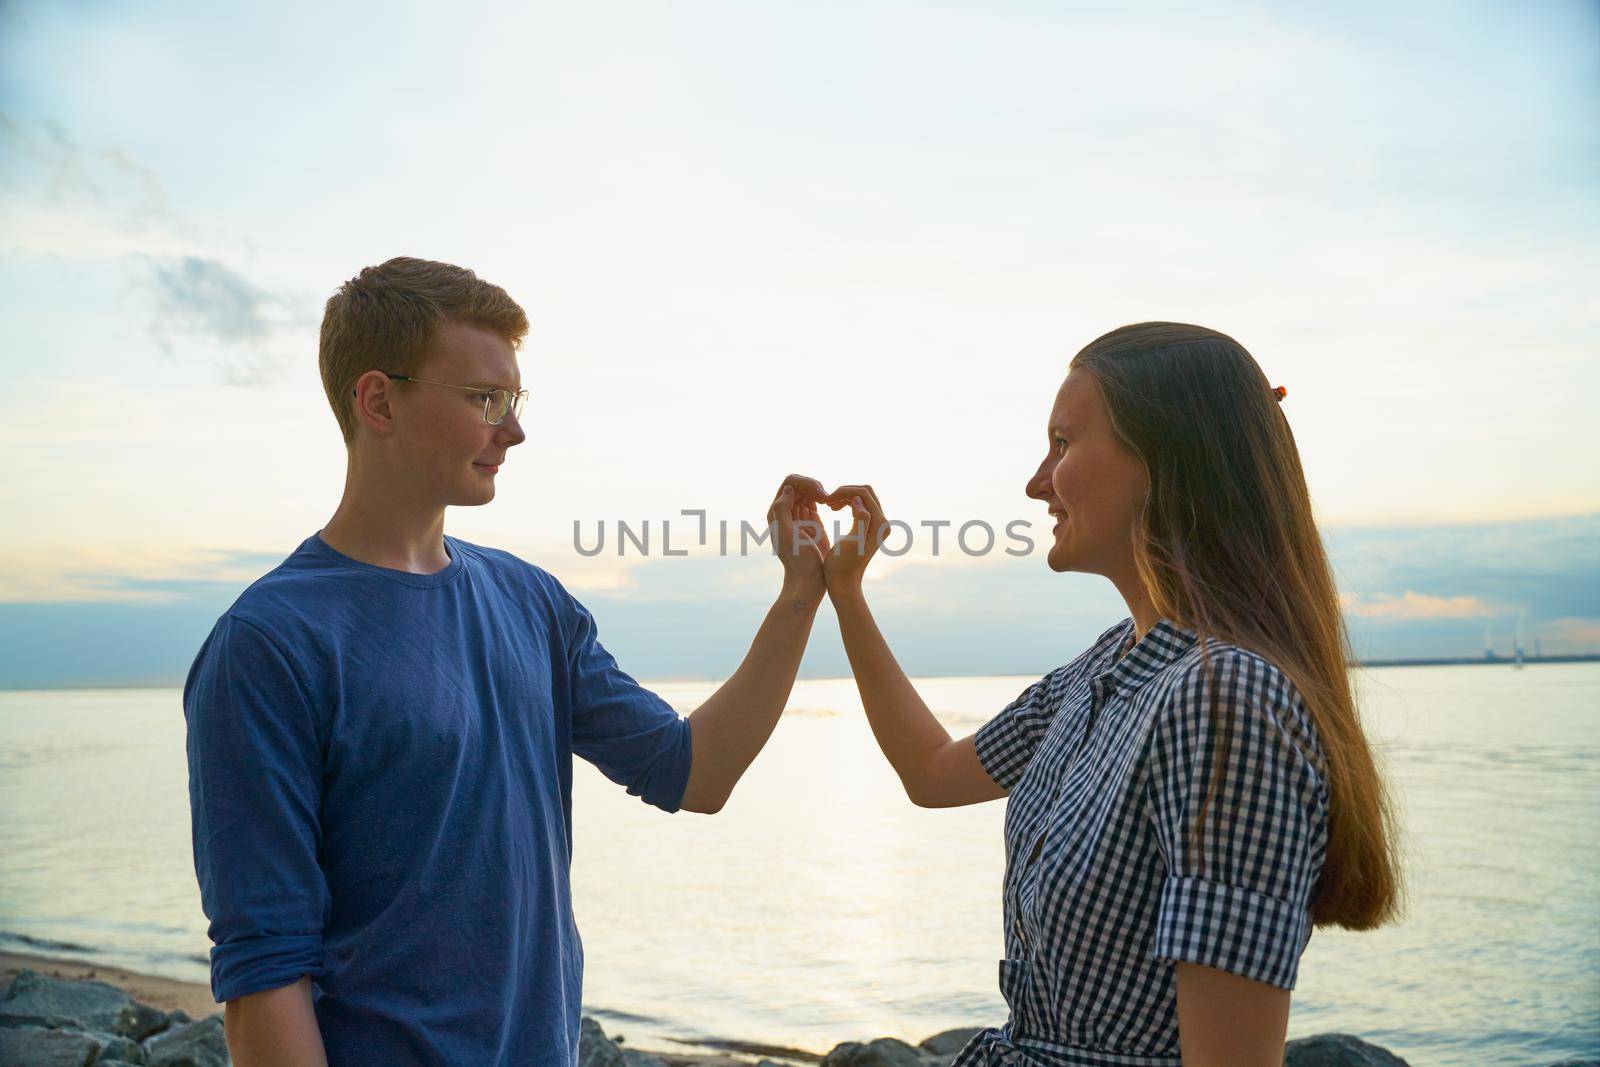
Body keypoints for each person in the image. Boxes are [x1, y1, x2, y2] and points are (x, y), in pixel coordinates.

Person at [182, 256, 832, 1066]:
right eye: (485, 399)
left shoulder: (533, 604)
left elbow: (692, 772)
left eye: (514, 400)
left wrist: (800, 594)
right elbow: (264, 973)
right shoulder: (269, 644)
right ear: (379, 399)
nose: (514, 430)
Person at [803, 323, 1402, 1066]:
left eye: (1062, 442)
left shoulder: (1228, 701)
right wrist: (847, 593)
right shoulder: (1104, 672)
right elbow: (930, 770)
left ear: (1166, 459)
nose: (1036, 481)